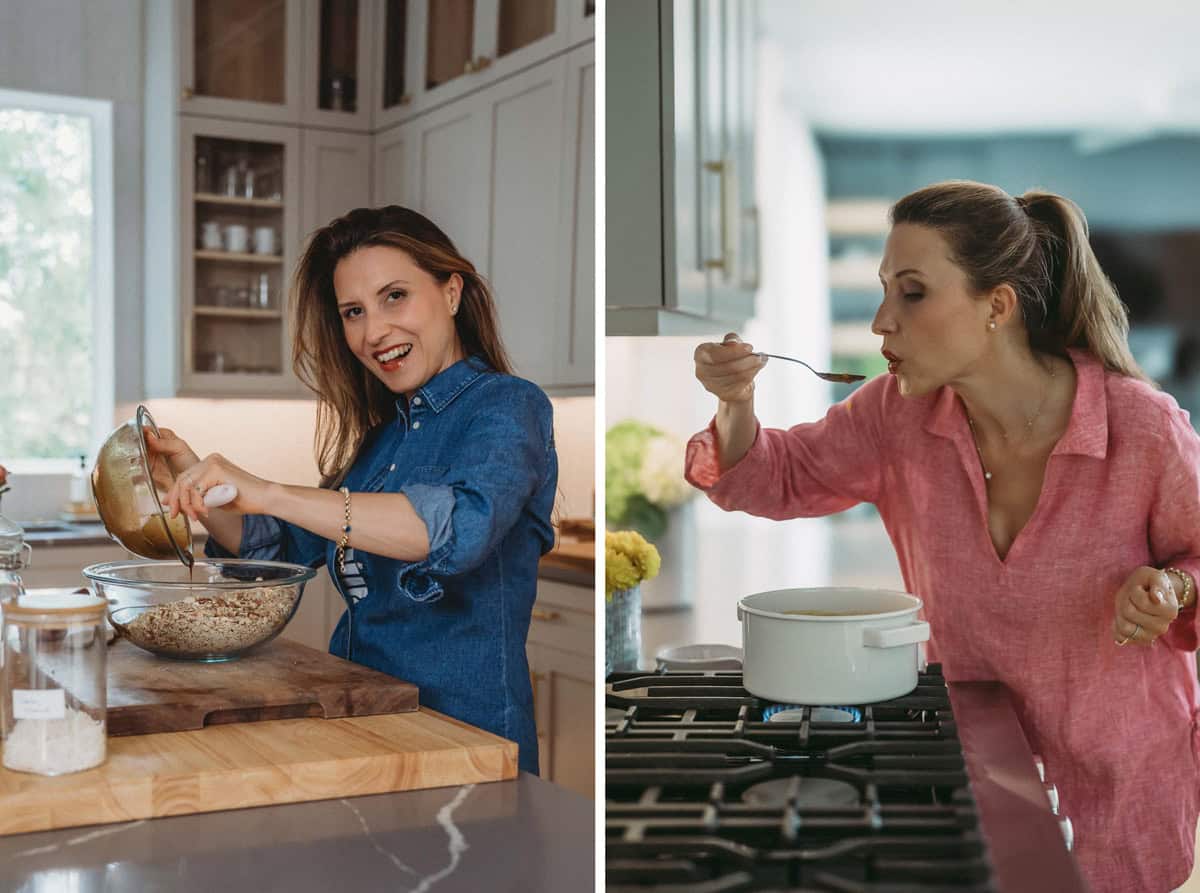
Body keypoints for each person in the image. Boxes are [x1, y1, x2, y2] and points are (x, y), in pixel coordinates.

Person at [687, 180, 1200, 893]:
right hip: (967, 772)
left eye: (913, 292)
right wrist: (736, 402)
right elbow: (771, 476)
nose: (880, 322)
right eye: (883, 290)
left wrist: (1172, 587)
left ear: (997, 305)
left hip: (1121, 790)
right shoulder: (895, 415)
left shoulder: (1141, 426)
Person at [146, 206, 557, 774]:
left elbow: (456, 530)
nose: (374, 332)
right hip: (365, 716)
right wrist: (196, 484)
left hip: (465, 738)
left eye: (395, 297)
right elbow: (280, 548)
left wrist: (268, 490)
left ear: (452, 291)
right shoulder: (382, 437)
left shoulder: (509, 406)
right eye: (354, 312)